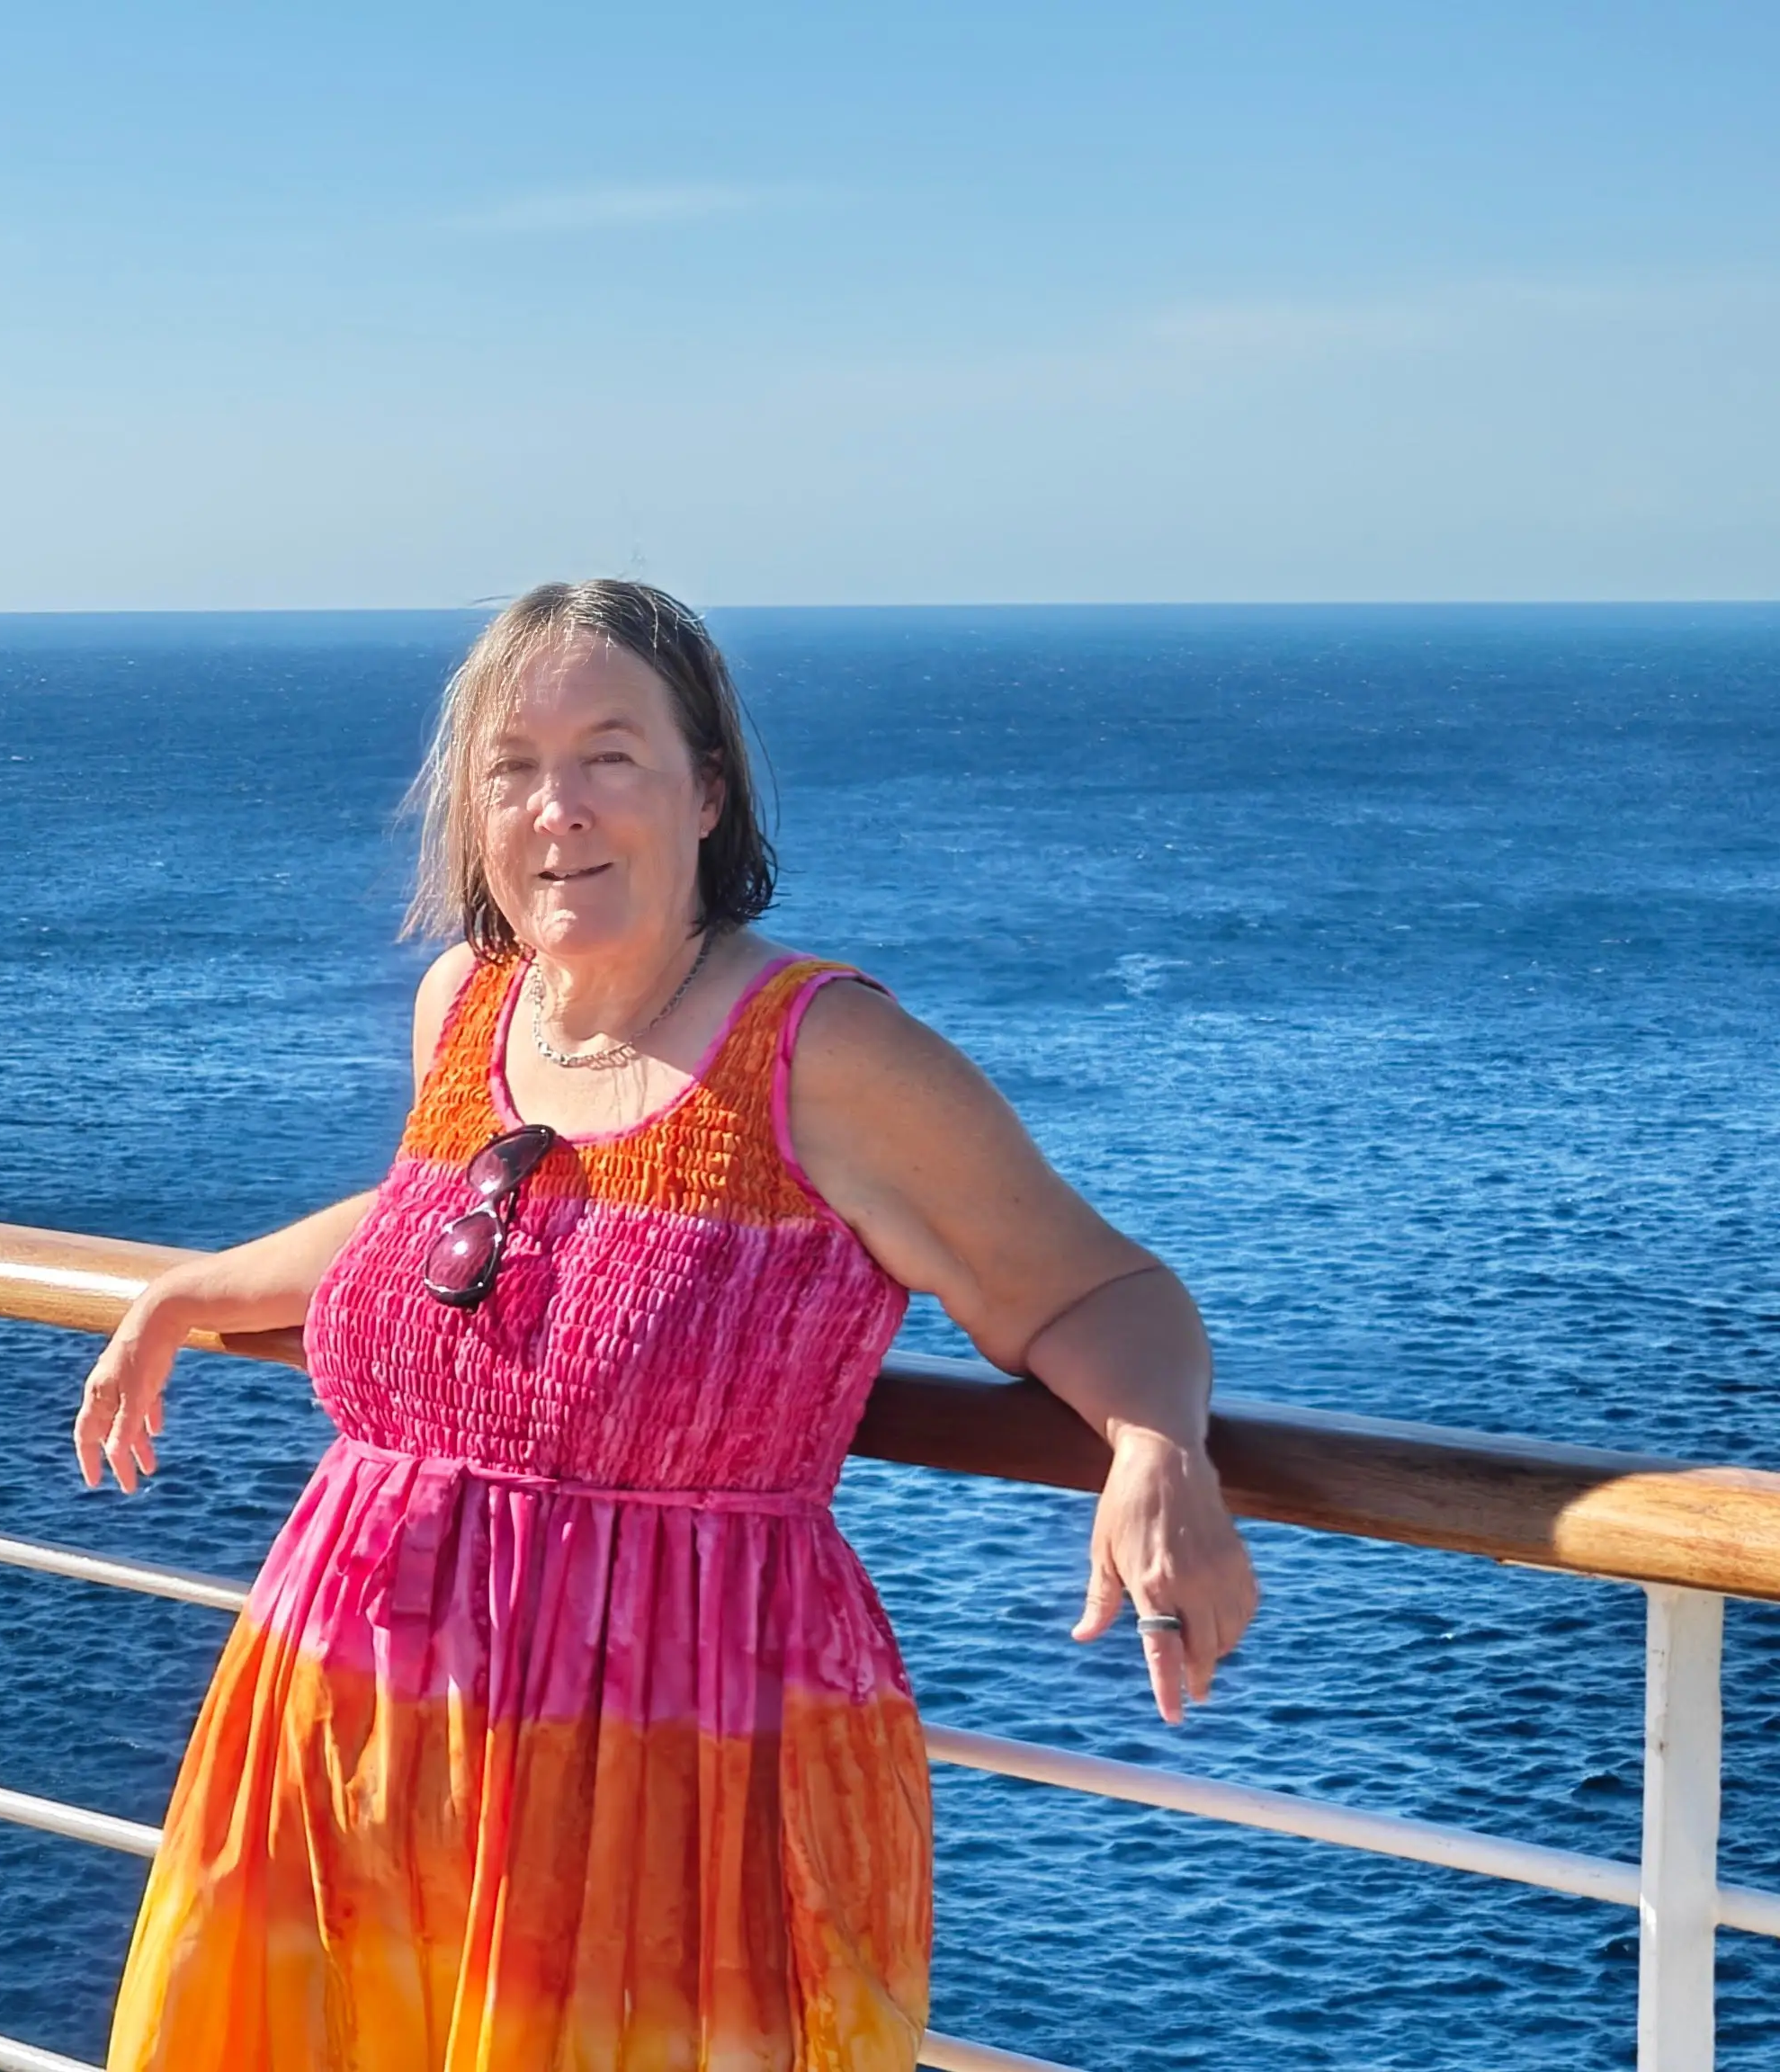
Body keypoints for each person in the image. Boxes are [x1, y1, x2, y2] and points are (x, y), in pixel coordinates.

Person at [76, 580, 1259, 2070]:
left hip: (674, 1781)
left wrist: (1157, 1446)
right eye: (513, 768)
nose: (557, 807)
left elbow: (1096, 1289)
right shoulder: (469, 1006)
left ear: (707, 791)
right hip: (356, 1731)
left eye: (610, 756)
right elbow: (424, 1225)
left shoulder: (827, 1057)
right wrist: (188, 1294)